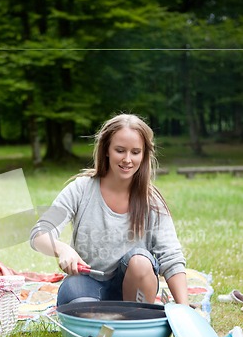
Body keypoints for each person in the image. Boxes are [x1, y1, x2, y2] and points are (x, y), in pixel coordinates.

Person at [30, 113, 189, 306]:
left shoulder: (152, 201)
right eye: (120, 150)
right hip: (87, 284)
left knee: (140, 261)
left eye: (136, 152)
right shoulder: (80, 189)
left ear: (144, 154)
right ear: (106, 150)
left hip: (134, 287)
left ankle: (133, 318)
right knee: (79, 304)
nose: (127, 159)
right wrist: (62, 249)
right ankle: (102, 320)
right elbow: (39, 233)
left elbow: (171, 256)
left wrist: (184, 309)